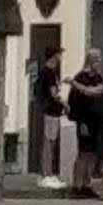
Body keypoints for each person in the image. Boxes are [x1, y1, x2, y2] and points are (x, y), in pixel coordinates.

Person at [64, 61, 103, 201]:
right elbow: (77, 101)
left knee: (93, 155)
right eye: (96, 59)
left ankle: (86, 185)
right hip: (85, 121)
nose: (99, 62)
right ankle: (77, 186)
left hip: (96, 122)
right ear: (90, 61)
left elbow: (98, 96)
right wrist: (80, 121)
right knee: (83, 154)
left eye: (100, 59)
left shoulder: (98, 79)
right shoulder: (81, 78)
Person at [24, 47, 66, 188]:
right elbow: (53, 93)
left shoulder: (48, 72)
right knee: (49, 142)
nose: (61, 57)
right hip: (51, 110)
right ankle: (46, 174)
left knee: (50, 141)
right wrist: (65, 104)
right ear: (54, 56)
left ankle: (47, 172)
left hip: (51, 110)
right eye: (59, 54)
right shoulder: (49, 73)